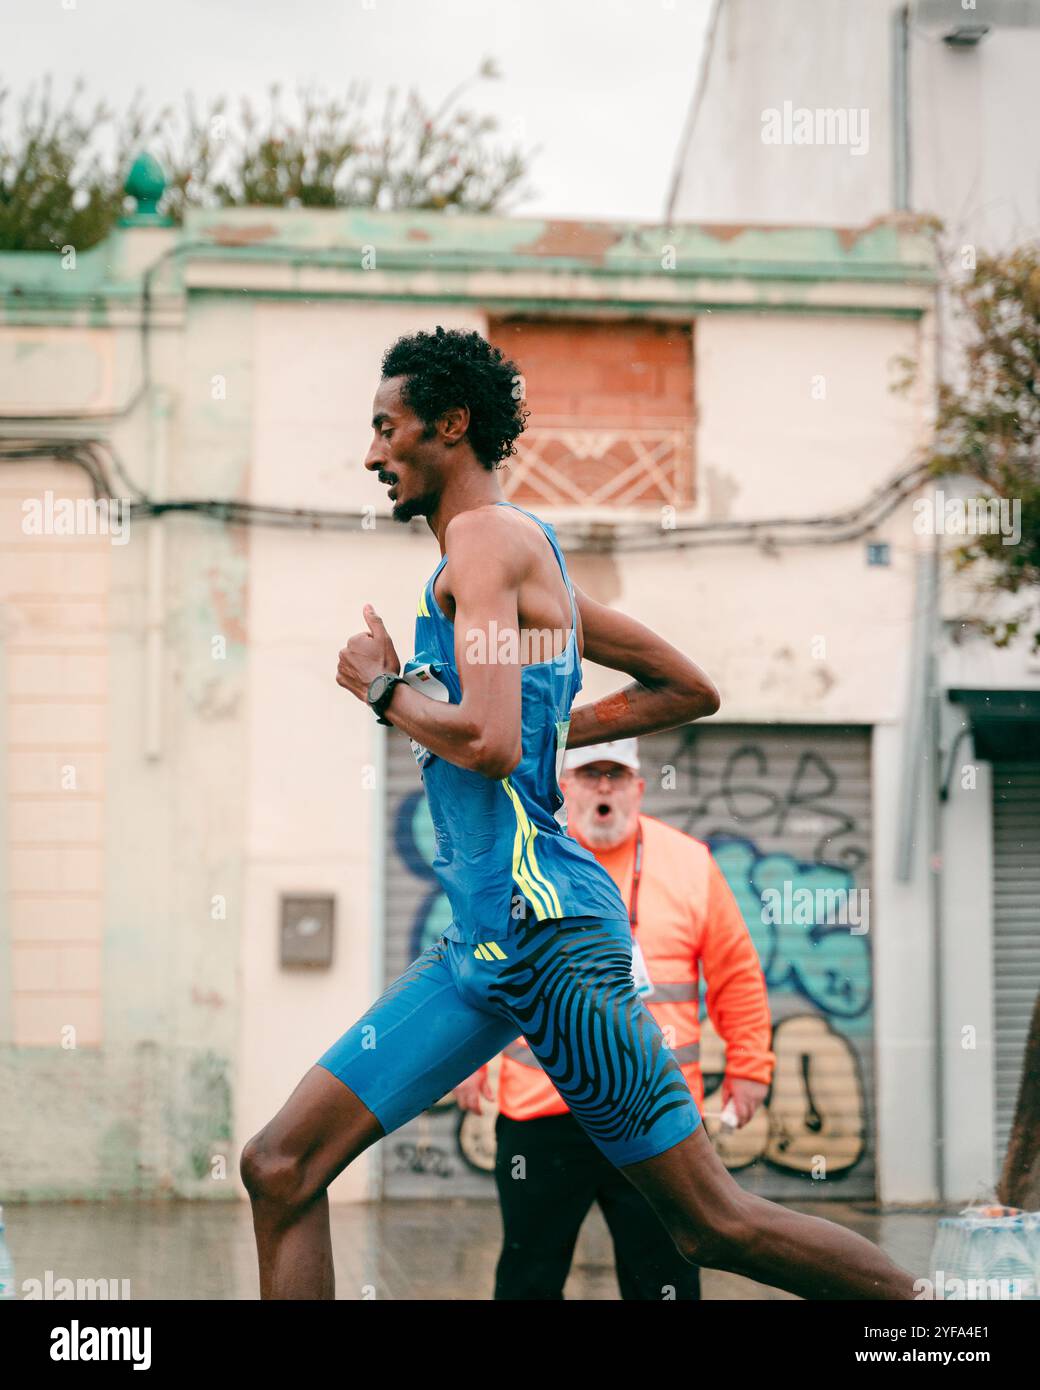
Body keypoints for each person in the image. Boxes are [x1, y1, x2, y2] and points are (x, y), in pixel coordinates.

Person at [240, 325, 917, 1301]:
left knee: (707, 1223)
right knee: (281, 1167)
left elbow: (489, 739)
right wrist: (550, 722)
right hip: (480, 950)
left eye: (387, 429)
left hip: (549, 940)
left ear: (452, 425)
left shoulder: (481, 541)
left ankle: (932, 1321)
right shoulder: (529, 561)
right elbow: (681, 685)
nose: (371, 454)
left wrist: (384, 690)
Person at [455, 738, 774, 1300]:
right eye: (589, 774)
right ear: (565, 787)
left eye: (616, 775)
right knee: (528, 1276)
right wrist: (464, 1062)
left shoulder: (689, 863)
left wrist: (750, 1068)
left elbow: (737, 973)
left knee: (665, 1278)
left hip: (657, 1112)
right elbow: (474, 965)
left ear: (639, 788)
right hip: (542, 1115)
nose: (604, 787)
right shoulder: (524, 859)